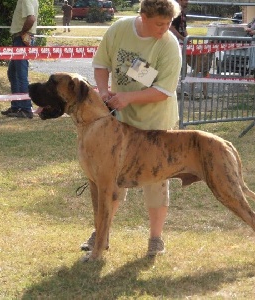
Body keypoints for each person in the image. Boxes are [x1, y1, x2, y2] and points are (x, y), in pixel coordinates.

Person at [81, 0, 182, 257]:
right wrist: (103, 92)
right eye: (160, 23)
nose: (165, 29)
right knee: (111, 181)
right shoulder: (119, 29)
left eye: (169, 23)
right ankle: (101, 234)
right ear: (144, 17)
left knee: (156, 182)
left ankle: (156, 239)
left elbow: (163, 91)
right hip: (121, 123)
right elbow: (101, 64)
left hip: (155, 126)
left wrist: (127, 98)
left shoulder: (169, 45)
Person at [1, 0, 39, 119]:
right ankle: (16, 105)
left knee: (21, 74)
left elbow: (31, 18)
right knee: (13, 72)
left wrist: (22, 33)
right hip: (23, 38)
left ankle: (26, 108)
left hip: (21, 39)